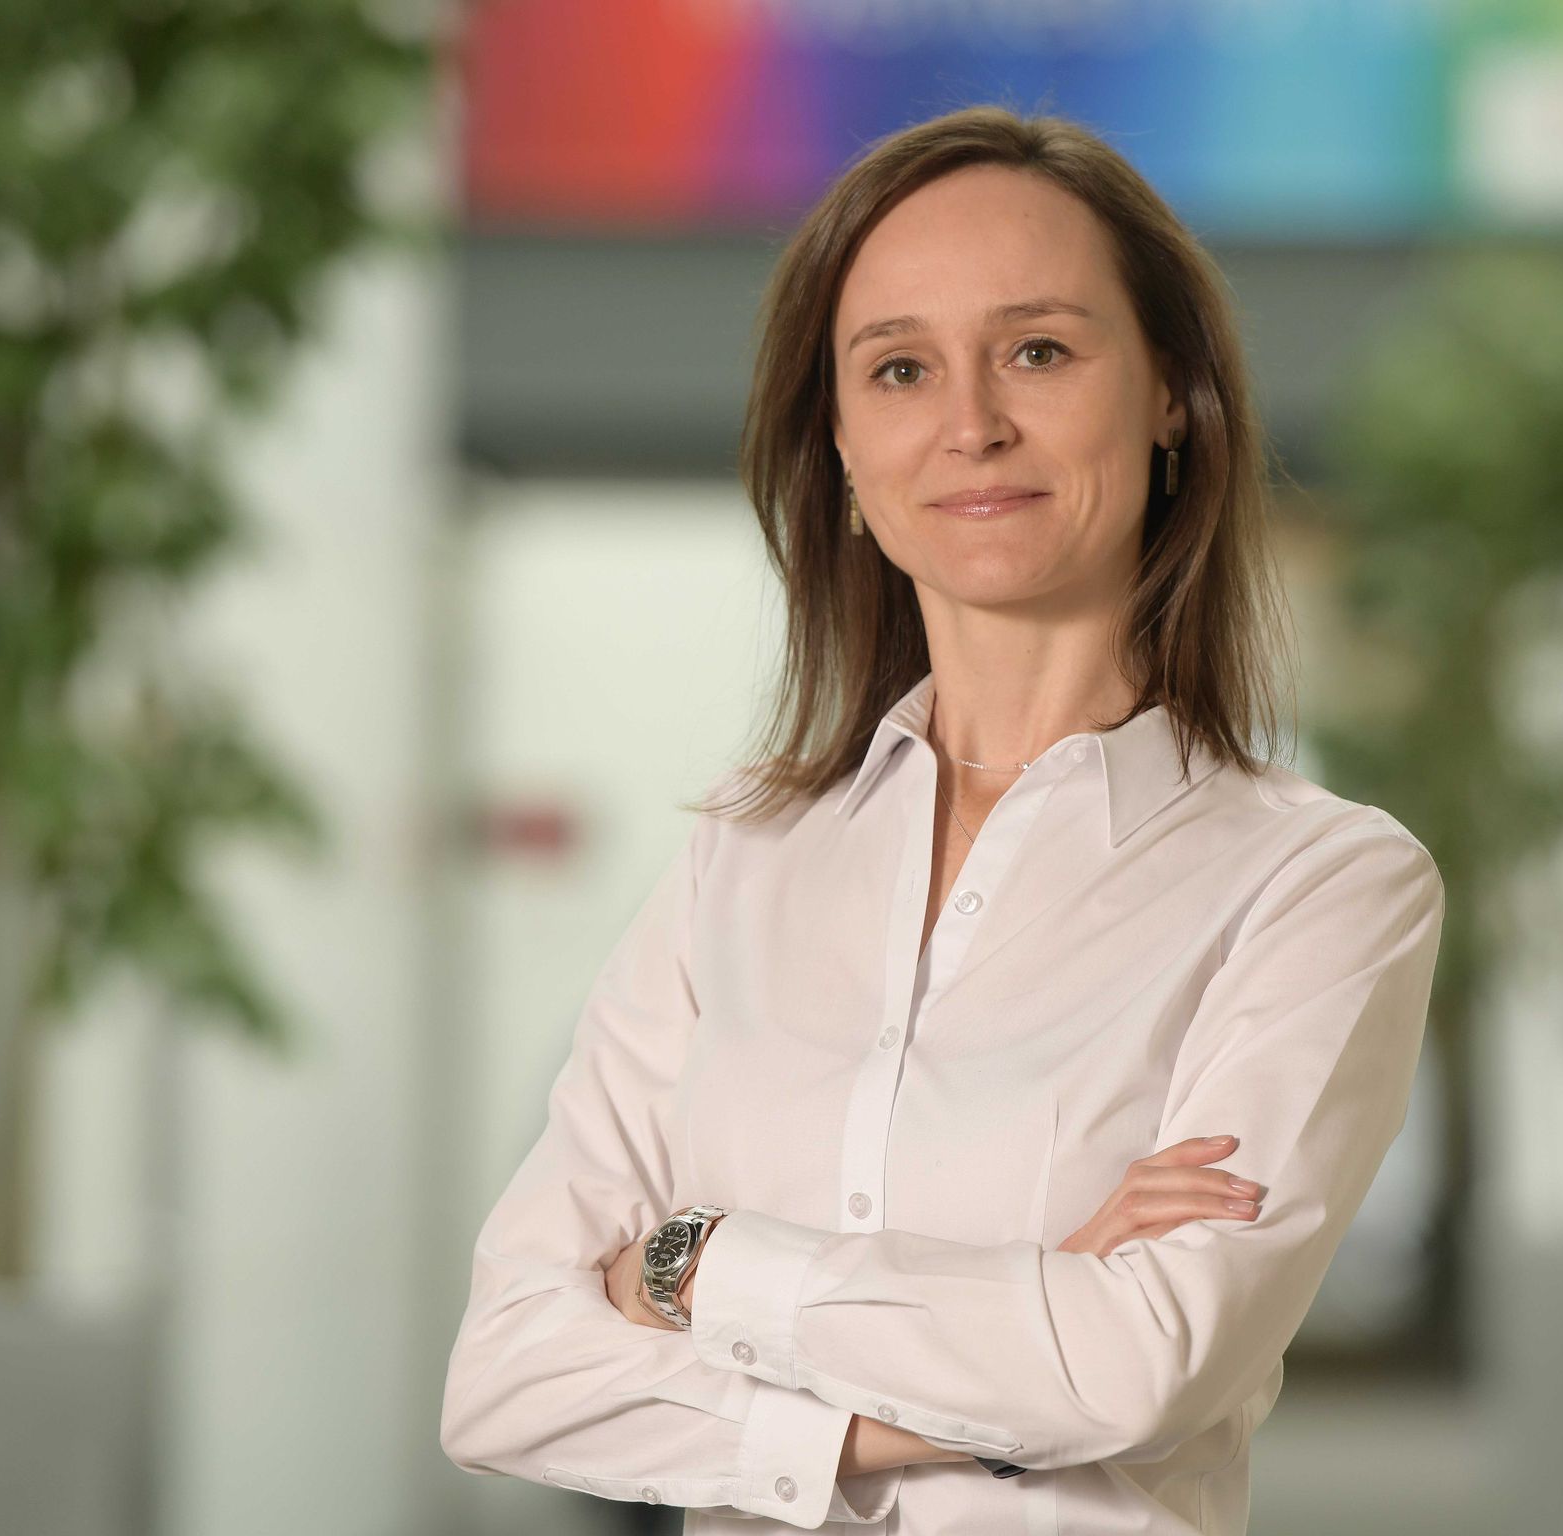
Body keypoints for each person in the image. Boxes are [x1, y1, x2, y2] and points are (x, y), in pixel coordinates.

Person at [440, 104, 1446, 1535]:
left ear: (1171, 395)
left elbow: (1133, 1366)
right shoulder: (744, 858)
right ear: (842, 445)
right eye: (899, 368)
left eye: (1038, 349)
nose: (971, 421)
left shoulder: (1318, 885)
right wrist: (993, 1340)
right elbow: (508, 1379)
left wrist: (691, 1268)